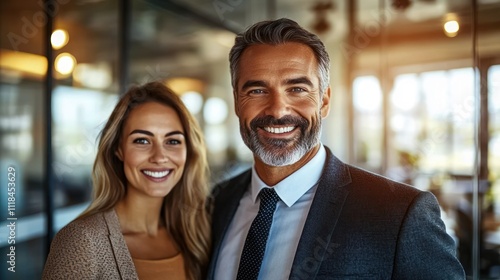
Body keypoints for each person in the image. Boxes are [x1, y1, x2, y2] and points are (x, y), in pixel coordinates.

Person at [208, 18, 465, 279]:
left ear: (324, 101)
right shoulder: (216, 203)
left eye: (297, 89)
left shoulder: (400, 214)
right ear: (237, 102)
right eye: (257, 91)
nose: (278, 109)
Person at [43, 82, 211, 280]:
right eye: (142, 140)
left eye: (172, 141)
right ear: (119, 149)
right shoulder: (81, 241)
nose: (159, 157)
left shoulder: (195, 235)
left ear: (188, 151)